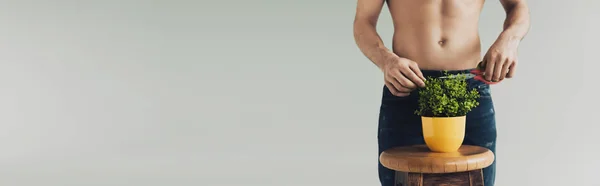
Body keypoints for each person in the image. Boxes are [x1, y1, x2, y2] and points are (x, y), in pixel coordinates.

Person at [352, 0, 530, 185]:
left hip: (469, 90)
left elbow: (518, 5)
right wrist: (386, 60)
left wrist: (510, 40)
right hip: (407, 87)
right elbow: (363, 20)